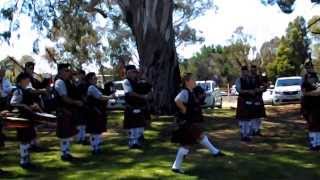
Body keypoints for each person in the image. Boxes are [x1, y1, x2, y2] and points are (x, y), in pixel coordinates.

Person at [171, 73, 224, 174]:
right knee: (195, 139)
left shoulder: (192, 92)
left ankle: (176, 166)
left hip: (190, 121)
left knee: (189, 143)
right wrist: (184, 109)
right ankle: (215, 152)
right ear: (187, 82)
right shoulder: (185, 92)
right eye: (193, 80)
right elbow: (177, 100)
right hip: (185, 122)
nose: (195, 81)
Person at [10, 73, 43, 169]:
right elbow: (13, 102)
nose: (28, 81)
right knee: (24, 140)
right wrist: (24, 106)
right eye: (27, 80)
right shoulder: (18, 91)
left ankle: (27, 161)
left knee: (28, 140)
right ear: (21, 80)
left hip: (28, 118)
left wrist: (34, 106)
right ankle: (24, 162)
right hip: (22, 118)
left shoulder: (25, 90)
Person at [54, 64, 83, 161]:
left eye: (68, 70)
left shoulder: (68, 81)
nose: (69, 72)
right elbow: (64, 98)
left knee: (68, 134)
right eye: (66, 70)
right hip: (63, 110)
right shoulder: (59, 82)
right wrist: (76, 102)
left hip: (69, 110)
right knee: (64, 134)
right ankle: (64, 154)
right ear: (60, 71)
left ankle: (67, 153)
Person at [85, 72, 114, 154]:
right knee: (94, 131)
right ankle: (94, 148)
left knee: (97, 131)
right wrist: (110, 97)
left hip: (97, 111)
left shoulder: (95, 87)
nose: (96, 79)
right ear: (89, 80)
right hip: (93, 112)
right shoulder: (91, 87)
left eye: (96, 78)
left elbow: (103, 94)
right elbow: (100, 97)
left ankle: (97, 147)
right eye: (94, 78)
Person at [123, 65, 151, 149]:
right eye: (132, 72)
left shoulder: (137, 81)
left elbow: (148, 88)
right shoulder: (126, 82)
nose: (134, 74)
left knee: (139, 125)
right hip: (131, 106)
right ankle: (132, 142)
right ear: (127, 73)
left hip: (139, 106)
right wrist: (142, 96)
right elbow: (130, 93)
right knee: (132, 126)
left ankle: (137, 141)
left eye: (135, 72)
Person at [301, 60, 320, 151]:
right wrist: (315, 92)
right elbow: (304, 92)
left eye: (311, 67)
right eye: (308, 67)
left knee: (318, 125)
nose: (310, 68)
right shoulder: (304, 78)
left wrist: (316, 92)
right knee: (312, 125)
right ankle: (313, 144)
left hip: (318, 104)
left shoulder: (318, 76)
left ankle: (318, 143)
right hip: (309, 105)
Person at [235, 66, 256, 142]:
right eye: (244, 71)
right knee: (242, 119)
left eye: (246, 71)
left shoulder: (251, 79)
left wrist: (254, 91)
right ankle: (243, 135)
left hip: (250, 100)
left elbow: (254, 88)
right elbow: (239, 90)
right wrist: (248, 91)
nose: (245, 73)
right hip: (242, 100)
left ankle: (247, 135)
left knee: (249, 119)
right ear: (242, 72)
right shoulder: (239, 80)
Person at [250, 65, 267, 136]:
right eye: (252, 70)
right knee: (253, 116)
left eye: (254, 70)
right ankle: (254, 130)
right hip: (251, 98)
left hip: (259, 97)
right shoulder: (249, 78)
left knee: (259, 116)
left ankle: (258, 130)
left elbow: (264, 86)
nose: (253, 71)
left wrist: (262, 89)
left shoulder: (259, 78)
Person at [74, 70, 89, 144]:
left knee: (84, 123)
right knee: (79, 123)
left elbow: (85, 95)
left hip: (84, 105)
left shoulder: (85, 84)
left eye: (82, 74)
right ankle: (79, 138)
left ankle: (83, 138)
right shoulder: (76, 84)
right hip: (78, 105)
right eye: (80, 74)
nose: (81, 76)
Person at [0, 66, 11, 147]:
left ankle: (2, 137)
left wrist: (5, 91)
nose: (3, 73)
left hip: (4, 101)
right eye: (2, 71)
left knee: (3, 119)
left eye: (4, 72)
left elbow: (9, 89)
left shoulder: (6, 81)